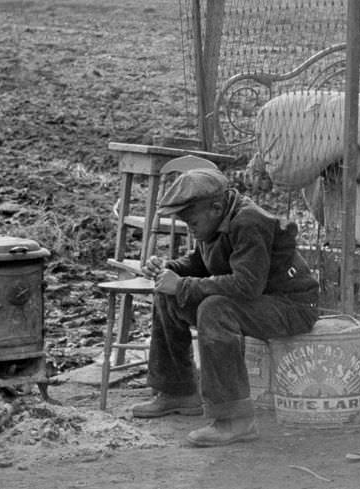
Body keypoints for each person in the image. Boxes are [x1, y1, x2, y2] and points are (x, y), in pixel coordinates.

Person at [131, 167, 319, 447]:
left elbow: (247, 285)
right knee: (168, 294)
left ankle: (235, 420)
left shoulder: (249, 222)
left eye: (192, 222)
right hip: (261, 302)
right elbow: (200, 264)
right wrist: (168, 271)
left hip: (292, 306)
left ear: (216, 207)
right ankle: (177, 391)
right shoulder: (218, 217)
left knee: (215, 309)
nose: (191, 229)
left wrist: (182, 285)